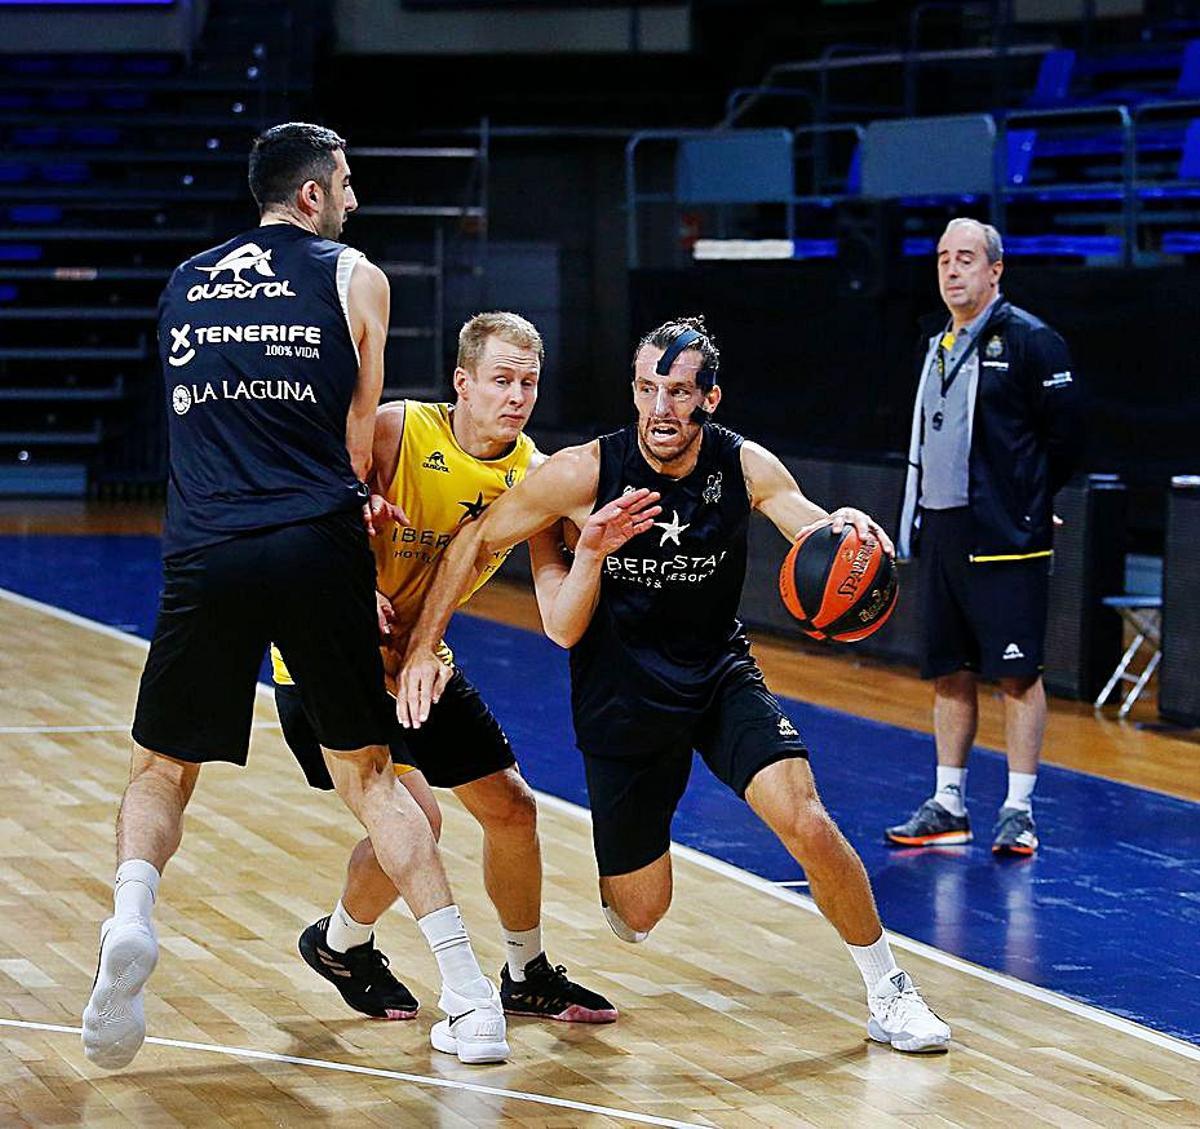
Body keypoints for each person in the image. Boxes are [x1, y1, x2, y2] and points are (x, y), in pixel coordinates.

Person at [398, 315, 952, 1054]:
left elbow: (815, 534)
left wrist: (844, 527)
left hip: (718, 676)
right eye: (647, 389)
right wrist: (423, 645)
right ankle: (627, 869)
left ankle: (890, 991)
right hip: (622, 698)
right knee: (640, 914)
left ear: (709, 398)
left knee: (807, 819)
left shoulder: (744, 465)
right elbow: (473, 539)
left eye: (680, 392)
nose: (661, 408)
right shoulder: (583, 472)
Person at [82, 122, 508, 1071]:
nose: (353, 198)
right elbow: (357, 442)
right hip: (315, 542)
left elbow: (200, 420)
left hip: (208, 544)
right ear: (311, 195)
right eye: (345, 183)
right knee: (373, 778)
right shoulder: (356, 276)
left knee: (161, 769)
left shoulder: (184, 281)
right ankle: (471, 997)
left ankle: (132, 914)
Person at [271, 311, 617, 1025]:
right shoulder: (395, 430)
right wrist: (347, 587)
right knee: (418, 817)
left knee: (512, 808)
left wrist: (595, 560)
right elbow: (299, 506)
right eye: (500, 380)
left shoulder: (537, 477)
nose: (516, 397)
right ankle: (351, 945)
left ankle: (523, 971)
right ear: (462, 382)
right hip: (326, 658)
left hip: (420, 661)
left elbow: (555, 598)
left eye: (528, 383)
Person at [887, 218, 1084, 857]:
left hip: (1005, 535)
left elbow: (1066, 438)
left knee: (1017, 675)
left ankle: (1018, 809)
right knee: (949, 671)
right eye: (943, 258)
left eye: (966, 258)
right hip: (942, 527)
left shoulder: (1032, 341)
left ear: (996, 270)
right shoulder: (936, 342)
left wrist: (1032, 501)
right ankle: (948, 802)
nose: (952, 269)